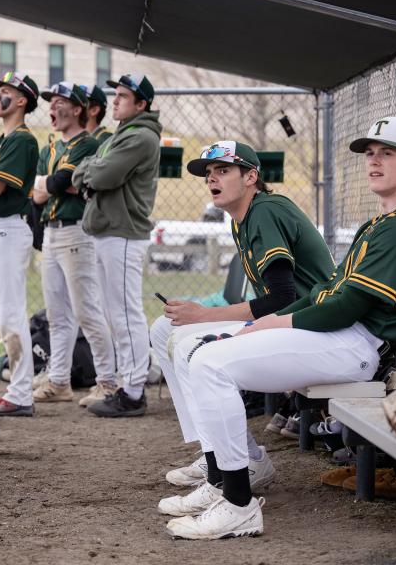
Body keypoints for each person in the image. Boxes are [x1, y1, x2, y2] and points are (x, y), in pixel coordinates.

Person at [162, 116, 396, 540]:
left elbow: (346, 306)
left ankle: (238, 503)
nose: (374, 162)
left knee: (209, 364)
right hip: (337, 337)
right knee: (204, 357)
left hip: (356, 346)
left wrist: (278, 320)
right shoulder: (383, 222)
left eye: (387, 153)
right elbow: (329, 290)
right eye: (370, 154)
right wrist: (270, 321)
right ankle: (228, 483)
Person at [152, 140, 333, 475]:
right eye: (208, 174)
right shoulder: (242, 217)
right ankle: (214, 451)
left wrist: (203, 315)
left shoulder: (265, 210)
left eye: (223, 170)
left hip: (311, 325)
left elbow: (283, 297)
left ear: (251, 176)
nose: (212, 179)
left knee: (190, 346)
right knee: (164, 329)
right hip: (289, 321)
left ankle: (242, 461)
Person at [73, 73, 162, 417]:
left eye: (124, 96)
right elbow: (84, 170)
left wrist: (90, 173)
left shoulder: (140, 136)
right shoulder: (123, 134)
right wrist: (90, 172)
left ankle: (134, 392)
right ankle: (128, 385)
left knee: (125, 314)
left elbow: (101, 175)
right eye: (117, 95)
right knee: (116, 313)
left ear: (141, 105)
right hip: (109, 231)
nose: (116, 100)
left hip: (123, 232)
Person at [31, 82, 116, 404]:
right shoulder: (50, 147)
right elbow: (38, 191)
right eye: (50, 101)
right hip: (51, 231)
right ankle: (59, 381)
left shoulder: (87, 144)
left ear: (78, 108)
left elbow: (56, 183)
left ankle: (107, 381)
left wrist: (50, 186)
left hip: (76, 230)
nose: (52, 107)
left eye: (59, 101)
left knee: (87, 311)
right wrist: (48, 186)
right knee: (57, 314)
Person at [0, 71, 41, 417]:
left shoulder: (22, 140)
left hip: (9, 230)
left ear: (21, 101)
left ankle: (20, 393)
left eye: (4, 92)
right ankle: (12, 389)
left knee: (10, 314)